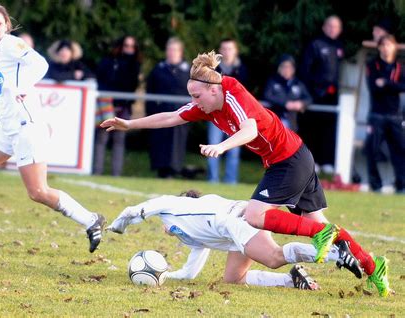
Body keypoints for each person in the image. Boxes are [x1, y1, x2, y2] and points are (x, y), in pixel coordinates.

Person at [101, 51, 391, 297]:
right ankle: (371, 265)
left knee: (255, 215)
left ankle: (321, 235)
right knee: (319, 221)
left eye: (196, 95)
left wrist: (222, 146)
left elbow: (249, 129)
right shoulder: (207, 104)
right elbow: (171, 116)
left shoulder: (232, 93)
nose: (194, 100)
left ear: (213, 89)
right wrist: (130, 124)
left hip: (287, 160)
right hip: (295, 156)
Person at [0, 3, 105, 254]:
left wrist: (24, 86)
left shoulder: (11, 44)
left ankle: (91, 220)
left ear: (7, 25)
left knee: (38, 192)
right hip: (6, 128)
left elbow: (40, 64)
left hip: (26, 127)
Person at [108, 191, 363, 289]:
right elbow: (189, 273)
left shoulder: (171, 205)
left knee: (273, 257)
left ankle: (337, 254)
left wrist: (117, 226)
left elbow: (134, 211)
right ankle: (292, 280)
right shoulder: (190, 236)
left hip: (237, 221)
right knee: (234, 279)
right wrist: (163, 275)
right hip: (234, 231)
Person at [299, 15, 344, 174]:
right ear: (324, 27)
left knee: (329, 129)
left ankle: (326, 161)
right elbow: (305, 70)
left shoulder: (339, 47)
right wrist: (311, 91)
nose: (333, 29)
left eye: (336, 26)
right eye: (330, 26)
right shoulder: (315, 45)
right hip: (316, 95)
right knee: (313, 129)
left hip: (332, 97)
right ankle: (313, 162)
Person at [93, 35, 141, 176]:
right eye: (126, 46)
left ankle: (116, 174)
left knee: (119, 141)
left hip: (124, 106)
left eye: (132, 47)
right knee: (102, 138)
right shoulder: (109, 62)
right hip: (107, 104)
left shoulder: (135, 65)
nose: (129, 49)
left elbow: (132, 86)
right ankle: (97, 171)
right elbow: (102, 80)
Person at [365, 35, 405, 194]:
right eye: (383, 45)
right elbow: (374, 87)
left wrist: (387, 84)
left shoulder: (400, 67)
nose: (386, 48)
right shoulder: (372, 65)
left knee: (400, 150)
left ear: (394, 47)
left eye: (389, 45)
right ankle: (376, 185)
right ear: (379, 47)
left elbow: (403, 86)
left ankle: (401, 184)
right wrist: (392, 86)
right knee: (372, 150)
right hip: (376, 115)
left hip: (395, 116)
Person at [145, 37, 190, 178]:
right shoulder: (158, 70)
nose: (172, 53)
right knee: (160, 143)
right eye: (169, 50)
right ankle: (161, 170)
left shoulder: (188, 71)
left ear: (180, 52)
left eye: (175, 50)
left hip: (181, 115)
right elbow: (150, 91)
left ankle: (174, 169)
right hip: (161, 112)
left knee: (176, 144)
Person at [207, 39, 247, 184]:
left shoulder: (242, 70)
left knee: (234, 150)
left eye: (230, 49)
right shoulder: (212, 70)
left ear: (235, 51)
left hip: (236, 116)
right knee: (213, 146)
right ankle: (212, 179)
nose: (226, 52)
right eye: (224, 48)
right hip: (217, 114)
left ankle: (231, 180)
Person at [263, 54, 312, 132]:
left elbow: (308, 98)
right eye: (284, 66)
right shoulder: (272, 81)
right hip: (274, 122)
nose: (287, 69)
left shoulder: (298, 83)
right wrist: (285, 103)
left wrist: (301, 104)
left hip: (292, 123)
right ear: (279, 68)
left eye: (289, 67)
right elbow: (267, 95)